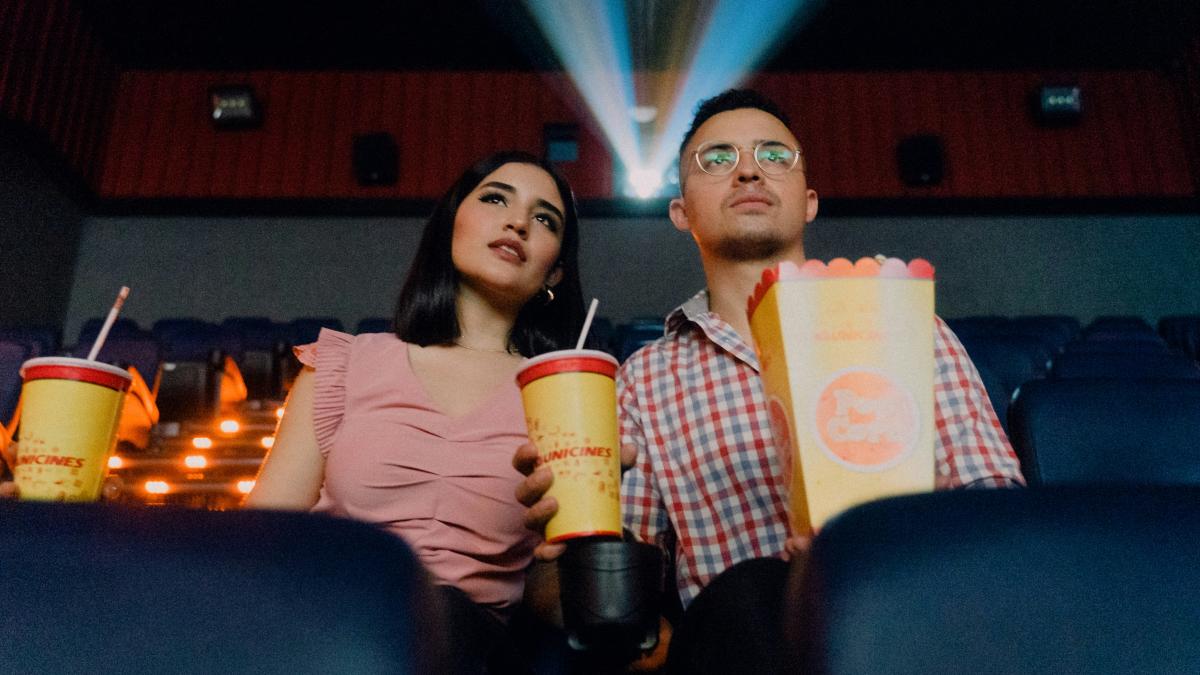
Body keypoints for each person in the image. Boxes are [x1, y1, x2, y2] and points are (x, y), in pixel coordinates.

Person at [514, 90, 1023, 673]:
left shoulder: (909, 327)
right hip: (746, 638)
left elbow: (1000, 514)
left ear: (808, 202)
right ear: (681, 212)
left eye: (774, 155)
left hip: (913, 619)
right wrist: (564, 547)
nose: (750, 169)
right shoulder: (643, 380)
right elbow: (609, 599)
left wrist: (876, 551)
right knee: (755, 590)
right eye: (717, 159)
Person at [246, 150, 586, 673]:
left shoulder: (565, 395)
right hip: (332, 627)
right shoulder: (345, 363)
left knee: (443, 614)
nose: (518, 222)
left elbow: (552, 604)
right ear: (451, 224)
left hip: (473, 645)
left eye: (544, 219)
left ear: (556, 271)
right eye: (496, 199)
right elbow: (264, 539)